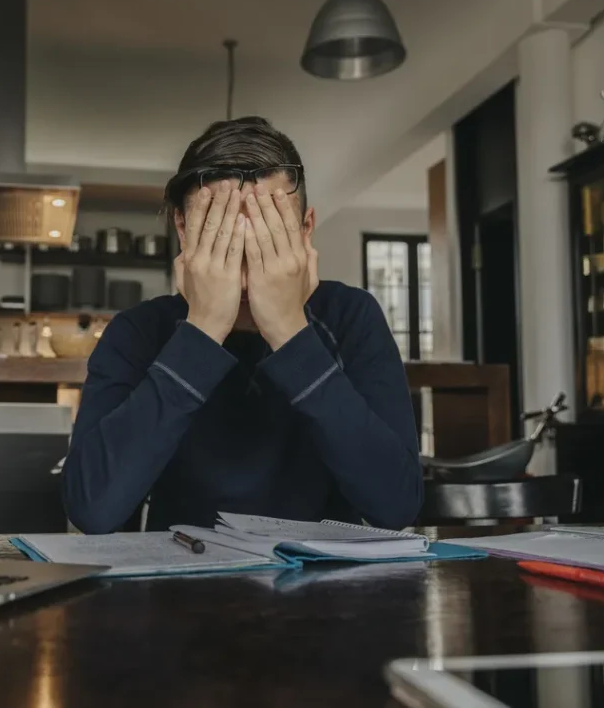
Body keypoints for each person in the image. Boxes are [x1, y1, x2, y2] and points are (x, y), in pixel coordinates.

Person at [62, 116, 422, 534]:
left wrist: (290, 331)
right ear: (183, 229)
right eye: (221, 235)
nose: (247, 261)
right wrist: (201, 331)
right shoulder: (139, 332)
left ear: (305, 230)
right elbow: (92, 509)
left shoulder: (351, 317)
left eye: (271, 233)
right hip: (178, 585)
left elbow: (396, 507)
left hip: (328, 586)